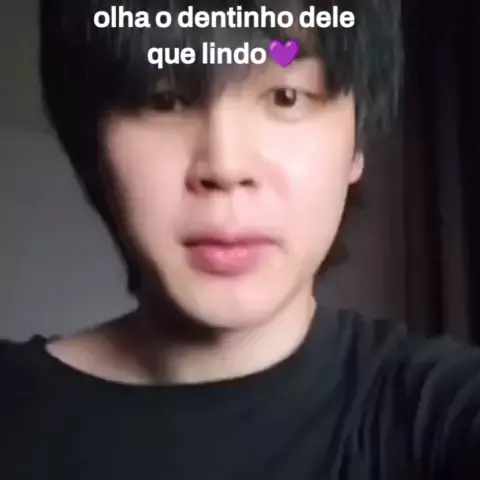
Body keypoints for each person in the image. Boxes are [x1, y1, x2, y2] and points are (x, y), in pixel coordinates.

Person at [2, 0, 479, 479]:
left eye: (286, 97)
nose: (226, 167)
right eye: (165, 99)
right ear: (96, 146)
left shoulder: (437, 409)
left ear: (356, 146)